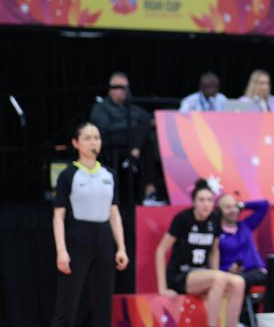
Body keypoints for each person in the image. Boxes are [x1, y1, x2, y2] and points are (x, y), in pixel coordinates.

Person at [52, 122, 129, 327]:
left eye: (96, 137)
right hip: (77, 237)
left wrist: (121, 247)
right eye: (87, 138)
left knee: (104, 302)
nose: (93, 141)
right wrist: (61, 250)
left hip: (103, 238)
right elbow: (58, 216)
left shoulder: (109, 174)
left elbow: (114, 213)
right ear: (75, 143)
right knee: (68, 301)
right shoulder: (68, 175)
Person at [156, 180, 246, 327]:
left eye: (210, 200)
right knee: (219, 278)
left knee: (239, 282)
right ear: (194, 202)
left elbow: (214, 250)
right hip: (181, 274)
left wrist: (217, 275)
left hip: (204, 273)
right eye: (201, 200)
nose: (206, 204)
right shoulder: (183, 219)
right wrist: (162, 288)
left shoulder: (215, 219)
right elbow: (160, 250)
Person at [89, 72, 153, 201]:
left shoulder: (133, 107)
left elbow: (148, 119)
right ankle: (149, 189)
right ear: (110, 89)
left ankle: (134, 155)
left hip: (132, 146)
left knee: (147, 138)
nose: (123, 91)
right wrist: (130, 124)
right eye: (119, 87)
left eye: (125, 87)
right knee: (140, 134)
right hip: (113, 147)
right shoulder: (101, 107)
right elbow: (104, 128)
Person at [217, 194, 269, 286]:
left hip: (255, 272)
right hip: (230, 275)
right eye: (228, 207)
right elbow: (213, 259)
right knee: (239, 281)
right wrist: (227, 270)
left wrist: (242, 205)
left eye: (235, 206)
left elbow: (264, 205)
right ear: (219, 211)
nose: (233, 210)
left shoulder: (246, 226)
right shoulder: (215, 233)